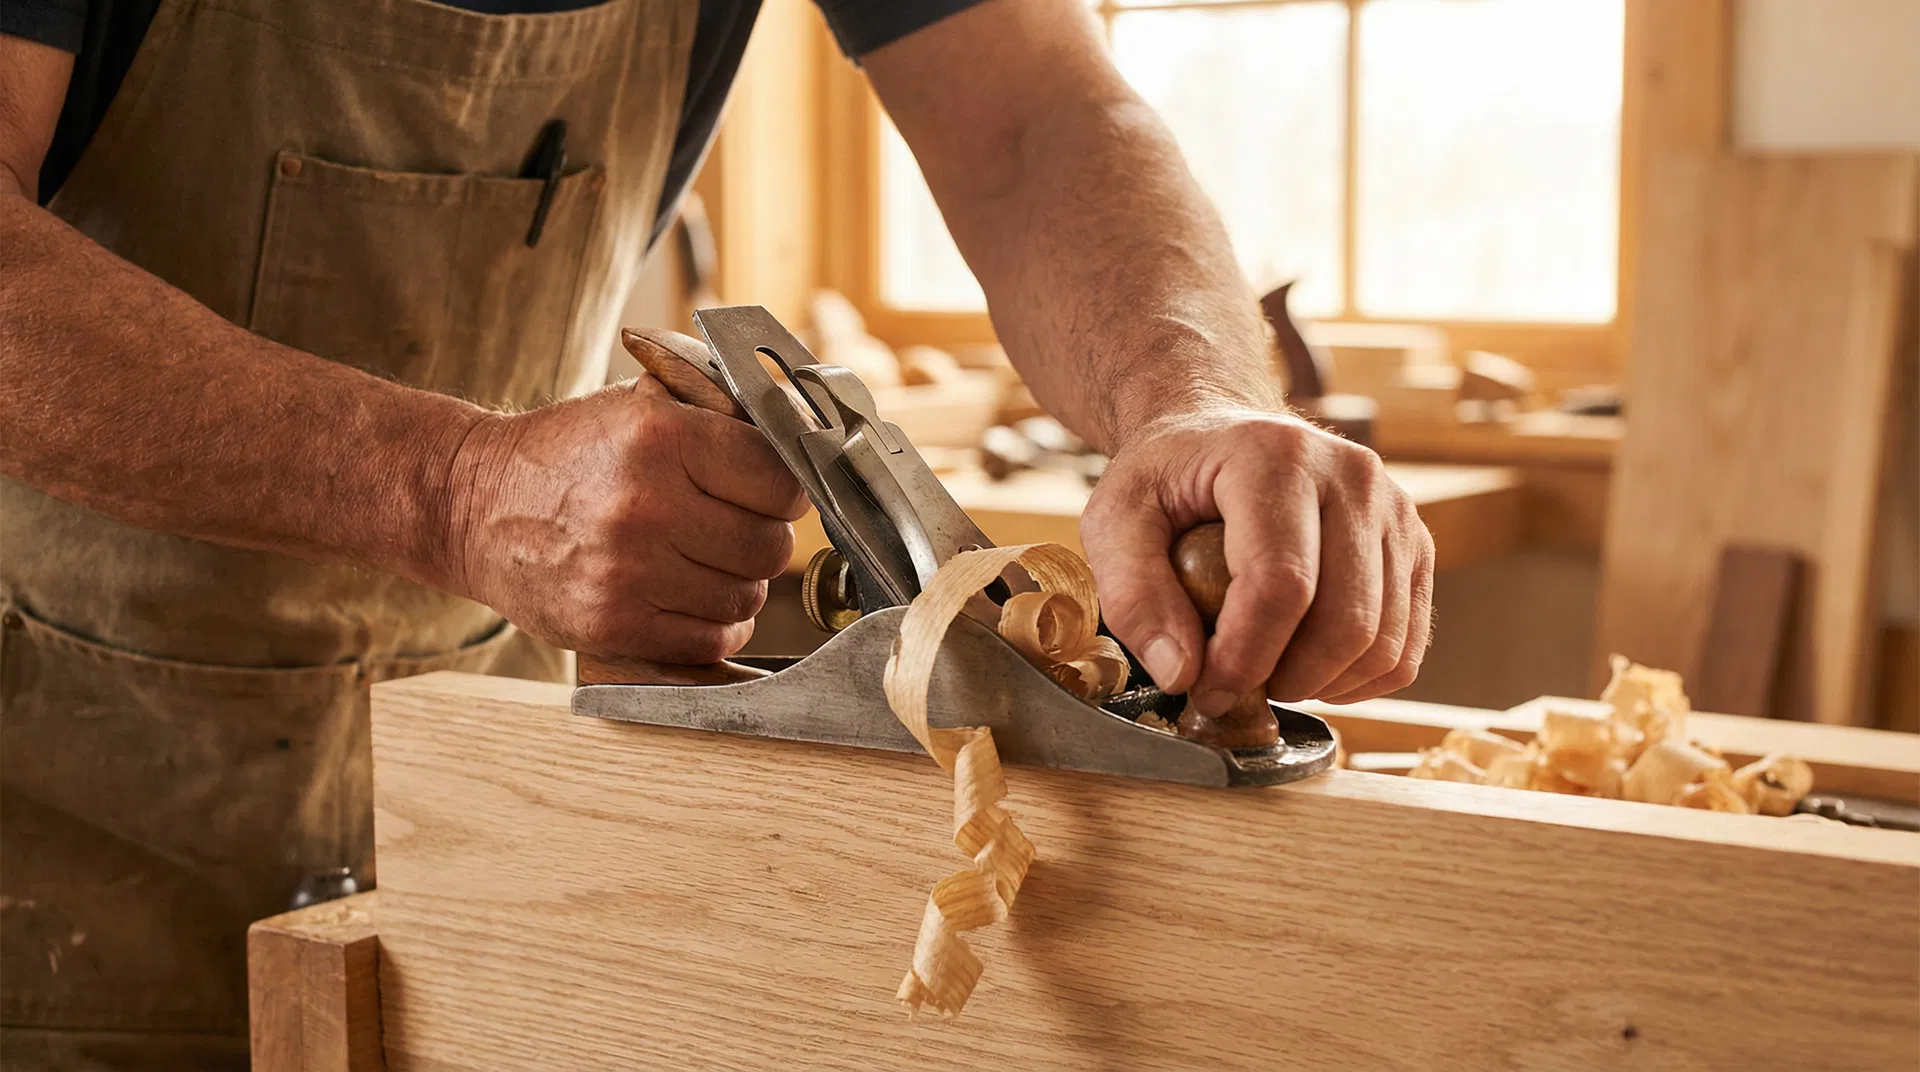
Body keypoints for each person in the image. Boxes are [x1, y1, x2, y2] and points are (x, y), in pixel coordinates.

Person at [0, 0, 1434, 1064]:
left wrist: (1185, 396)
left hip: (475, 778)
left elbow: (1036, 116)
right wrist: (450, 488)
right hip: (55, 804)